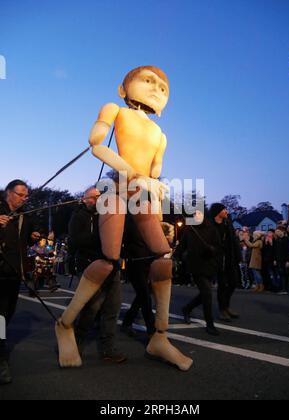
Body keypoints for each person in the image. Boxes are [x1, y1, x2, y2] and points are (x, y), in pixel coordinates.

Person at [55, 66, 193, 372]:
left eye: (162, 87)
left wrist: (158, 195)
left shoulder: (160, 134)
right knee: (109, 260)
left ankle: (159, 336)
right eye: (148, 81)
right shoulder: (115, 109)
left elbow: (154, 174)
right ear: (123, 88)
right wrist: (133, 174)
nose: (156, 88)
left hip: (142, 193)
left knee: (163, 258)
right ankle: (65, 325)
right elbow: (96, 144)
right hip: (116, 190)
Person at [68, 187, 126, 363]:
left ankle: (108, 349)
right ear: (84, 199)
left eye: (98, 197)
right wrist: (103, 237)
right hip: (90, 266)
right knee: (91, 308)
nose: (94, 201)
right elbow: (76, 240)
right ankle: (75, 344)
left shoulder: (107, 214)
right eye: (91, 198)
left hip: (111, 267)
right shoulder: (78, 217)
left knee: (112, 308)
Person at [0, 180, 40, 385]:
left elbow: (27, 240)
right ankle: (1, 357)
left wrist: (34, 237)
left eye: (26, 196)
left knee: (7, 314)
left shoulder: (25, 215)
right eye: (21, 194)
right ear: (9, 193)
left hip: (15, 272)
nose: (24, 198)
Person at [175, 210, 222, 336]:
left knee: (204, 294)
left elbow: (218, 247)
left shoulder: (212, 230)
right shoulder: (189, 230)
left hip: (210, 265)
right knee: (207, 293)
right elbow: (181, 247)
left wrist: (212, 250)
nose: (197, 216)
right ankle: (209, 324)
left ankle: (187, 308)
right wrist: (174, 259)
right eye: (194, 214)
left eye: (199, 214)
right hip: (196, 266)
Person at [209, 203, 241, 322]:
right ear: (218, 211)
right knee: (222, 285)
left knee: (233, 282)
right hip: (217, 259)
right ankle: (222, 309)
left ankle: (226, 306)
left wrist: (238, 256)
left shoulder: (228, 223)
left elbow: (233, 241)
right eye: (224, 209)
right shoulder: (210, 225)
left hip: (229, 258)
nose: (226, 211)